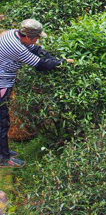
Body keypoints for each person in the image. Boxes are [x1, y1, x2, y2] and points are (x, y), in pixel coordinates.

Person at [0, 19, 74, 168]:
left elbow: (35, 49)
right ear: (27, 36)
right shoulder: (17, 48)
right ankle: (3, 158)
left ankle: (3, 151)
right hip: (1, 84)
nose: (38, 40)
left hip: (4, 80)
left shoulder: (11, 34)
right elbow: (40, 65)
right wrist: (62, 62)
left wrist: (49, 56)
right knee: (2, 122)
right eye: (37, 37)